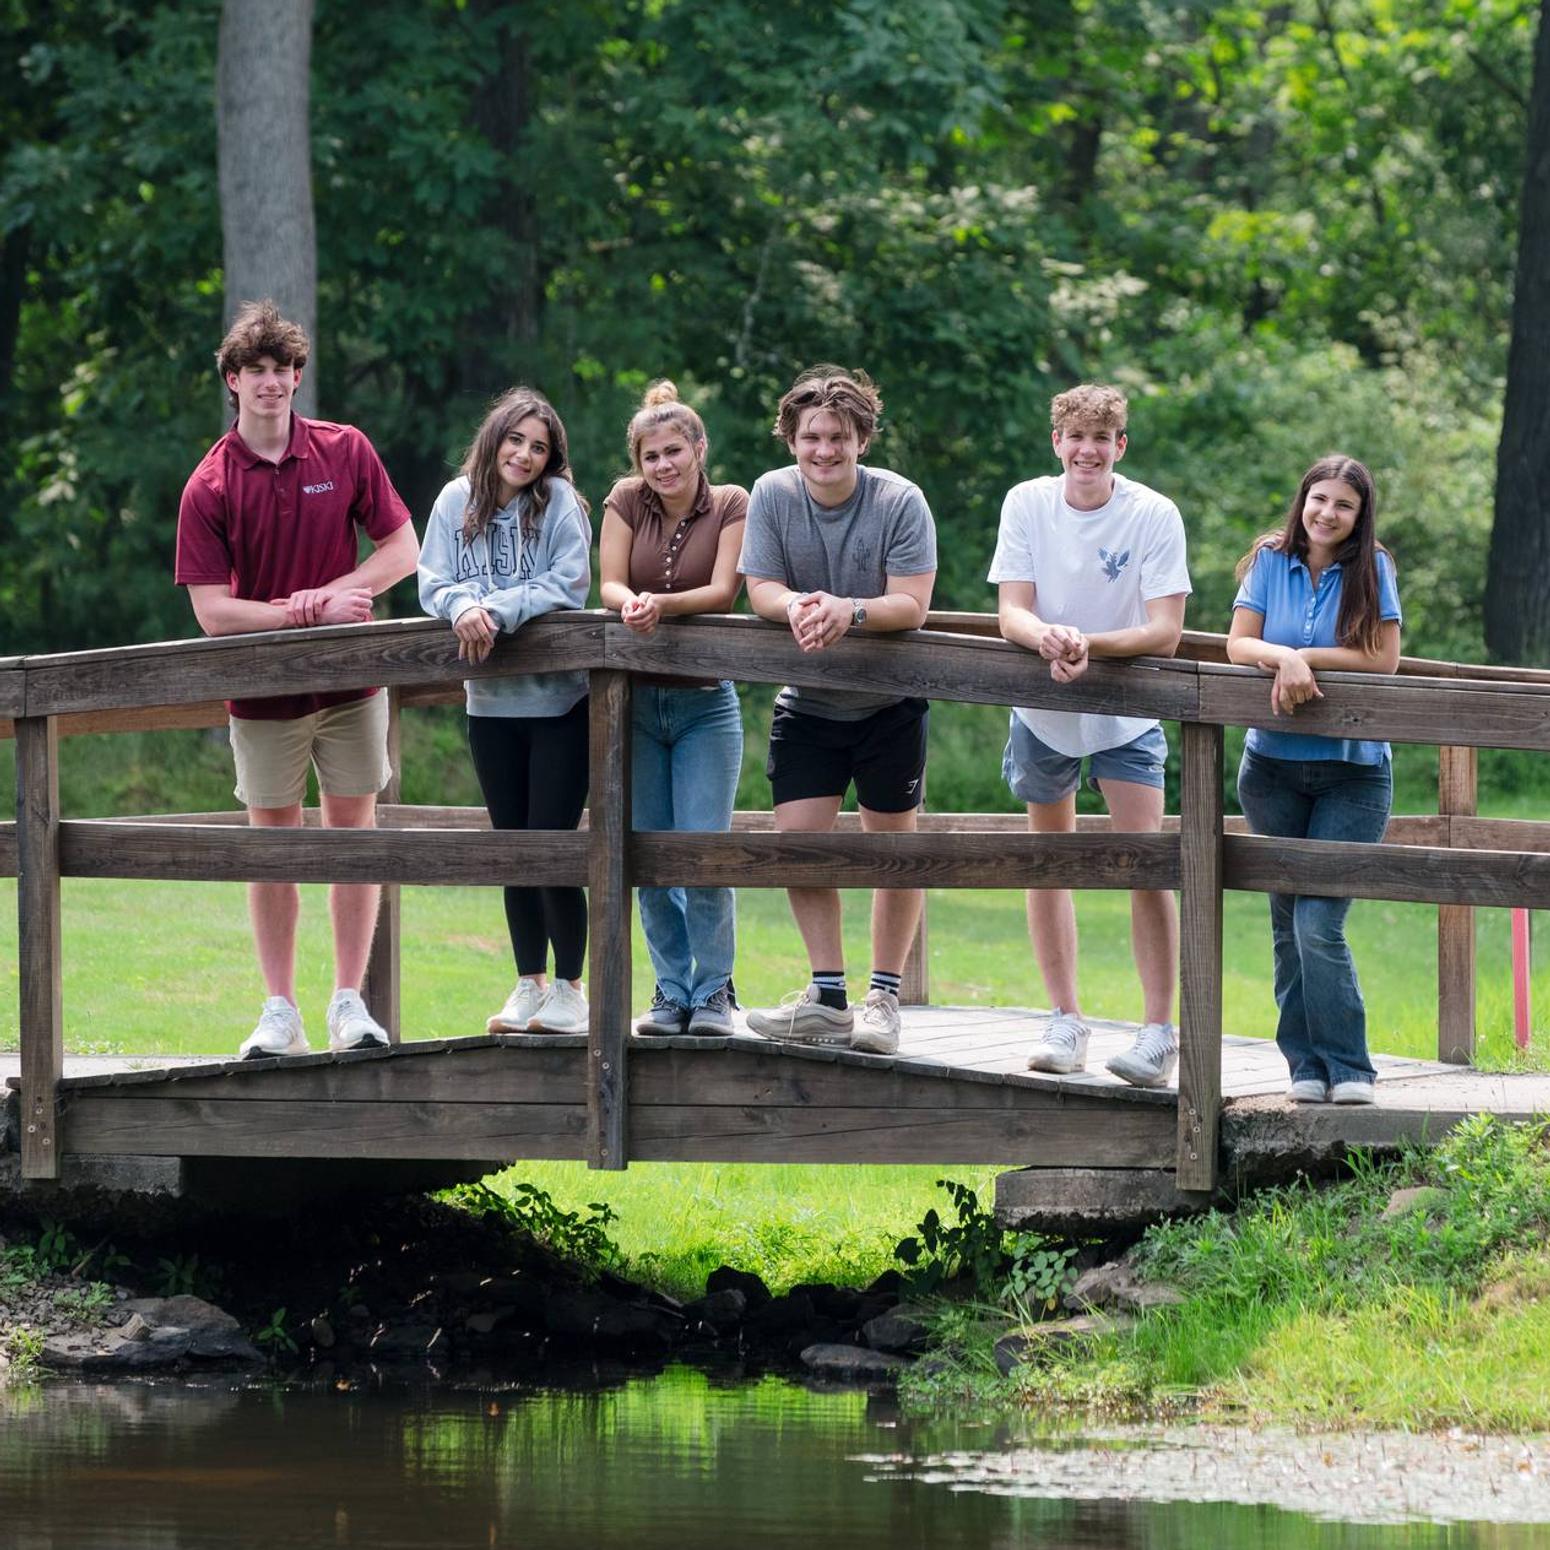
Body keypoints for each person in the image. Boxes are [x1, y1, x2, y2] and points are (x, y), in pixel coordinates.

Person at [175, 300, 418, 1060]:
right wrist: (298, 613)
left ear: (298, 376)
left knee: (355, 835)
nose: (271, 383)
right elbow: (213, 613)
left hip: (353, 687)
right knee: (270, 846)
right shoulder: (209, 485)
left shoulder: (343, 451)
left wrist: (348, 588)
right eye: (256, 371)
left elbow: (402, 548)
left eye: (283, 369)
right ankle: (279, 1009)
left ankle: (350, 1002)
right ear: (232, 381)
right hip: (262, 693)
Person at [990, 383, 1191, 1086]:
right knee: (1049, 860)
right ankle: (1065, 1018)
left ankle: (1159, 1031)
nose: (1087, 451)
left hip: (1127, 712)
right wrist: (1048, 637)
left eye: (1101, 440)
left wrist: (1089, 647)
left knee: (1146, 865)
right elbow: (1010, 610)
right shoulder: (1027, 503)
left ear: (1120, 448)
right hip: (1041, 707)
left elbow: (1165, 631)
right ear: (1057, 442)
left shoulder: (1154, 514)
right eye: (1076, 437)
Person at [739, 365, 937, 1056]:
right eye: (812, 437)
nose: (824, 450)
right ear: (791, 439)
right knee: (798, 845)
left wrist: (847, 610)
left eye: (839, 437)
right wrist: (795, 605)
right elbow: (759, 584)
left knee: (893, 850)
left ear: (863, 440)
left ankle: (884, 996)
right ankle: (827, 994)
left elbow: (911, 603)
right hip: (807, 703)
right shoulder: (770, 493)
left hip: (889, 702)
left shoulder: (900, 501)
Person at [418, 388, 594, 1035]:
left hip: (559, 702)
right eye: (516, 439)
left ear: (551, 458)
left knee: (550, 844)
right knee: (512, 848)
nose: (524, 454)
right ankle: (528, 982)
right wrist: (461, 605)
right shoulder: (452, 500)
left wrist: (498, 610)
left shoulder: (561, 507)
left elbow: (568, 583)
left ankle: (572, 988)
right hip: (488, 704)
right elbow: (431, 578)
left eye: (539, 447)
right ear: (494, 437)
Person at [1227, 454, 1401, 1105]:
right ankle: (1303, 1064)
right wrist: (1281, 656)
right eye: (1319, 499)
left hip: (1353, 774)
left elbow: (1383, 659)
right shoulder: (1271, 560)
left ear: (1359, 516)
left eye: (1343, 505)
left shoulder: (1373, 567)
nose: (1328, 513)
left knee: (1318, 923)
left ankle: (1350, 1067)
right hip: (1271, 771)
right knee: (1285, 922)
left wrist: (1306, 658)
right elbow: (1238, 644)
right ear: (1303, 500)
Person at [599, 382, 748, 1036]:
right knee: (648, 857)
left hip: (704, 703)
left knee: (701, 853)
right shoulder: (626, 500)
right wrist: (625, 600)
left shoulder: (734, 503)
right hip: (634, 702)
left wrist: (659, 605)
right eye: (651, 455)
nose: (663, 465)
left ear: (699, 448)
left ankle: (715, 992)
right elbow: (606, 581)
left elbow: (722, 590)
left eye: (674, 452)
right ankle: (670, 991)